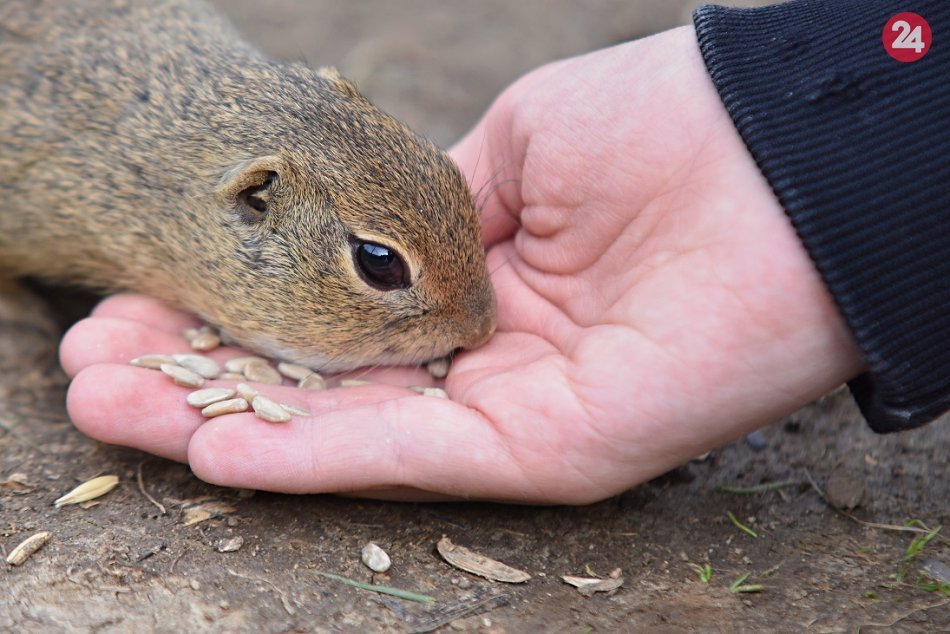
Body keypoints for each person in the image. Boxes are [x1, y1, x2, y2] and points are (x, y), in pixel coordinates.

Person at [59, 1, 948, 504]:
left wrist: (818, 169)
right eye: (379, 266)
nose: (476, 326)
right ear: (256, 202)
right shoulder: (77, 173)